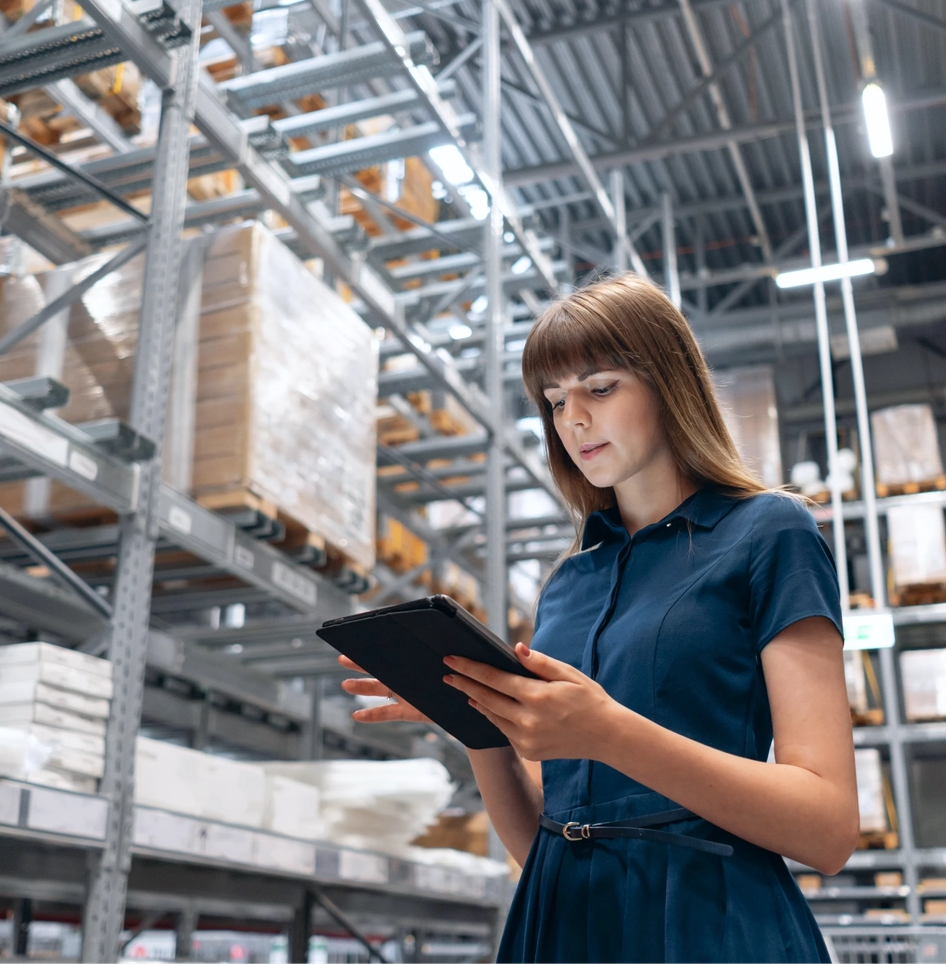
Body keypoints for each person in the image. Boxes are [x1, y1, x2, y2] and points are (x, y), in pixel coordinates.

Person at [341, 272, 858, 963]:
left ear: (670, 383)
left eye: (600, 388)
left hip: (710, 928)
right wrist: (475, 719)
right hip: (561, 924)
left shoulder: (770, 533)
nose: (573, 418)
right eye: (555, 400)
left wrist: (609, 732)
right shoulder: (568, 584)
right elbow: (547, 839)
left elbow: (828, 827)